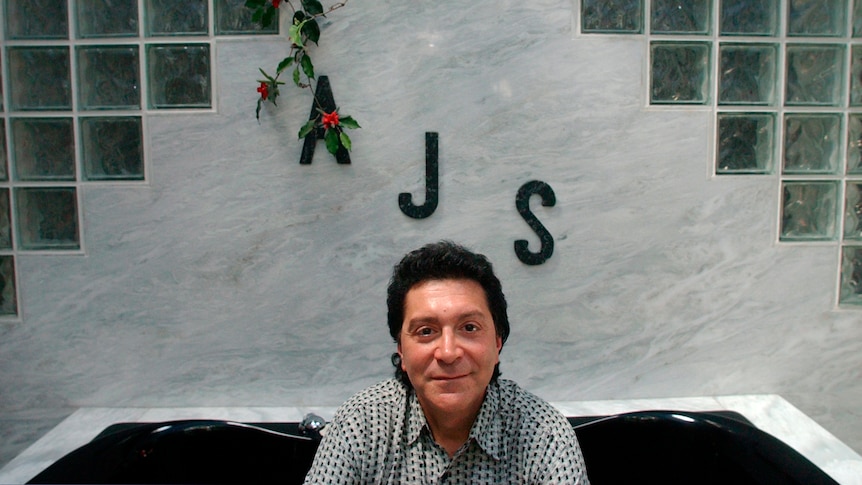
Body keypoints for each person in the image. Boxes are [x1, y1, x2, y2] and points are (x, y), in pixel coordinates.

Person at [303, 241, 590, 484]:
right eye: (426, 332)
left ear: (498, 342)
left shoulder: (544, 434)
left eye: (469, 328)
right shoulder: (362, 423)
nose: (448, 352)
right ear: (401, 350)